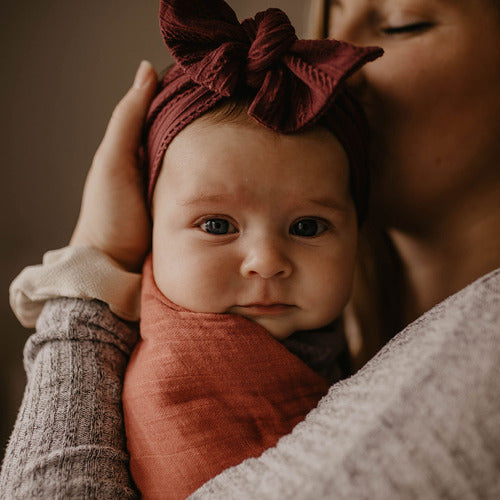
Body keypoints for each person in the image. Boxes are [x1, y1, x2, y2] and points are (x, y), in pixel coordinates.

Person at [1, 0, 499, 498]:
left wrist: (90, 273)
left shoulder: (479, 348)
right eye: (217, 224)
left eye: (401, 24)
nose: (265, 260)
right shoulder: (333, 339)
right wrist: (97, 263)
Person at [120, 3, 382, 498]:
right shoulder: (174, 380)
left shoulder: (351, 343)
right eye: (217, 224)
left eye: (308, 225)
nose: (266, 260)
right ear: (149, 226)